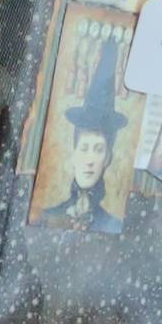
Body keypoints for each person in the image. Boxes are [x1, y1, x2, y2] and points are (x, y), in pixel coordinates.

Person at [42, 40, 127, 234]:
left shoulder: (112, 226)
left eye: (98, 150)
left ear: (107, 159)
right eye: (84, 148)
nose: (89, 160)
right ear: (73, 153)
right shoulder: (47, 216)